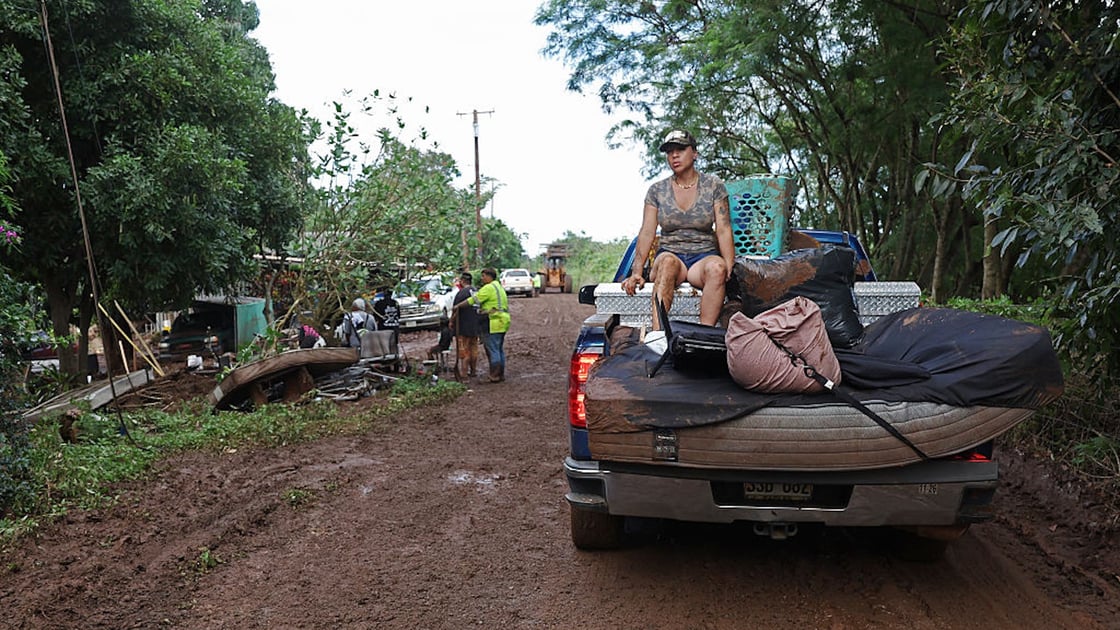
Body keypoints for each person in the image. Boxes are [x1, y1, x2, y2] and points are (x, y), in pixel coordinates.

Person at [620, 129, 734, 328]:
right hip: (671, 255)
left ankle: (704, 335)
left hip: (703, 257)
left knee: (717, 268)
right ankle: (658, 334)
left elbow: (723, 228)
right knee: (667, 264)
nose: (674, 155)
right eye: (669, 151)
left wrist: (729, 266)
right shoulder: (657, 190)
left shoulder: (714, 186)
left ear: (695, 153)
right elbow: (647, 231)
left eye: (680, 149)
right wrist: (637, 272)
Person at [454, 267, 509, 382]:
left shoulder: (488, 288)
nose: (482, 278)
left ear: (489, 276)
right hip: (503, 321)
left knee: (493, 349)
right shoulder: (499, 287)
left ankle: (494, 375)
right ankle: (500, 374)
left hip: (493, 321)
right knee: (499, 349)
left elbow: (474, 300)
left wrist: (458, 306)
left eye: (483, 276)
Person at [450, 271, 482, 380]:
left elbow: (455, 310)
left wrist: (451, 322)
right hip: (475, 325)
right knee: (474, 348)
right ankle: (473, 371)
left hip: (463, 326)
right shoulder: (477, 292)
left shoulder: (461, 293)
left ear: (462, 281)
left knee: (464, 350)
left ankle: (463, 374)